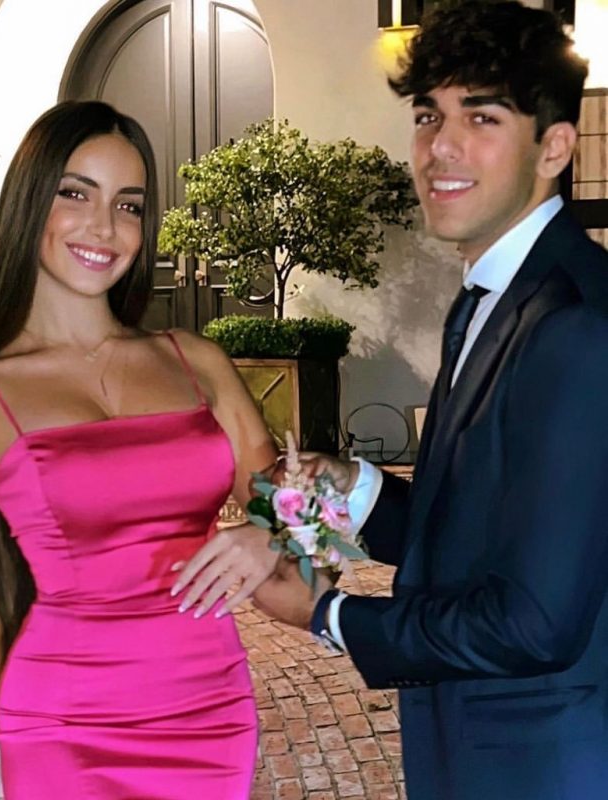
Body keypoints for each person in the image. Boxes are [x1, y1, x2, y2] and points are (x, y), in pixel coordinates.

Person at [177, 3, 608, 799]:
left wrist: (328, 615)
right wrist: (352, 487)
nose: (440, 147)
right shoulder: (491, 299)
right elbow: (475, 534)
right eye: (427, 116)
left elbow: (533, 623)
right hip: (473, 753)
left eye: (481, 117)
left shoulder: (576, 324)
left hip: (545, 765)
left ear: (553, 146)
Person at [0, 100, 280, 800]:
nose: (104, 227)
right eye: (76, 194)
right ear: (29, 204)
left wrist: (273, 536)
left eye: (129, 205)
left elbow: (304, 551)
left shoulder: (197, 362)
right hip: (64, 727)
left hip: (211, 713)